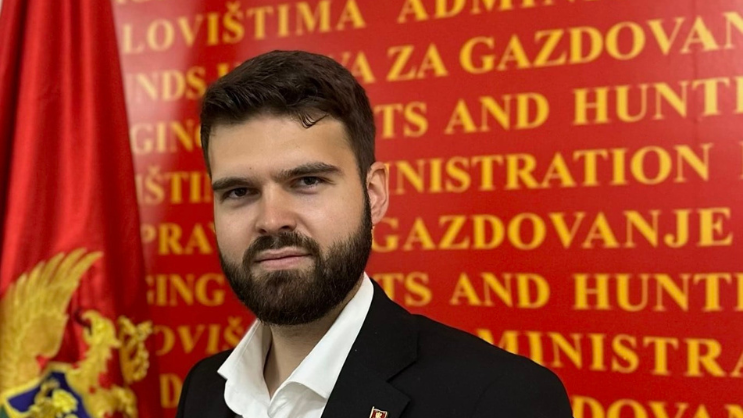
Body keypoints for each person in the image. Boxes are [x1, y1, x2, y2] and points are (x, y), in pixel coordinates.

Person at [175, 50, 573, 418]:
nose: (272, 219)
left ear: (374, 194)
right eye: (239, 192)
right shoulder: (204, 388)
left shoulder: (503, 400)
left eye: (307, 181)